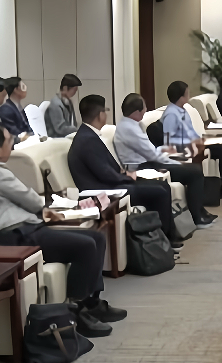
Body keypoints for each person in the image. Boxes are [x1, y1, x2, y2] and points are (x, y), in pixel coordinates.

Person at [0, 124, 126, 338]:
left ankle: (92, 303)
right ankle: (76, 312)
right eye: (9, 140)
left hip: (23, 230)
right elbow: (27, 196)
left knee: (96, 237)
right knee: (86, 246)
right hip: (14, 238)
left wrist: (44, 211)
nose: (12, 143)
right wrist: (44, 208)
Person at [67, 94, 184, 249]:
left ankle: (167, 235)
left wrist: (124, 175)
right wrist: (127, 177)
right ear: (100, 114)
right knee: (160, 192)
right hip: (104, 191)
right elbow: (105, 174)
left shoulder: (88, 135)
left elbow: (104, 169)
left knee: (162, 187)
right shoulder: (87, 139)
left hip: (110, 184)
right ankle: (166, 239)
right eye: (105, 111)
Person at [113, 93, 217, 229]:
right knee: (195, 172)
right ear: (137, 112)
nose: (145, 110)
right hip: (143, 168)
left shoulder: (128, 124)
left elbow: (150, 150)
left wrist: (167, 153)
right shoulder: (130, 129)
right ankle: (197, 217)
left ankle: (199, 211)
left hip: (147, 163)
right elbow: (152, 155)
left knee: (193, 170)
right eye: (144, 108)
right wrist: (176, 163)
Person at [162, 81, 222, 200]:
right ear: (181, 97)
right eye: (187, 93)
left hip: (198, 142)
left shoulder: (182, 110)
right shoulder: (171, 115)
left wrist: (203, 139)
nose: (189, 96)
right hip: (188, 147)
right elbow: (169, 140)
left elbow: (191, 132)